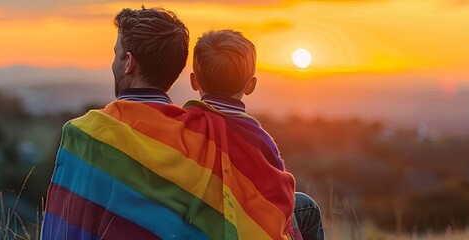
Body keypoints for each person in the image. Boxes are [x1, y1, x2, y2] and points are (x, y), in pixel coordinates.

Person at [42, 7, 301, 239]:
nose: (113, 62)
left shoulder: (88, 132)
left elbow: (64, 225)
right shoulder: (196, 133)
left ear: (128, 63)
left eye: (116, 54)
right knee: (303, 205)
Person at [186, 29, 324, 240]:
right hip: (244, 226)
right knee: (307, 206)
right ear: (251, 85)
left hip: (196, 219)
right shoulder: (258, 139)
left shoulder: (183, 123)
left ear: (194, 81)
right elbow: (280, 197)